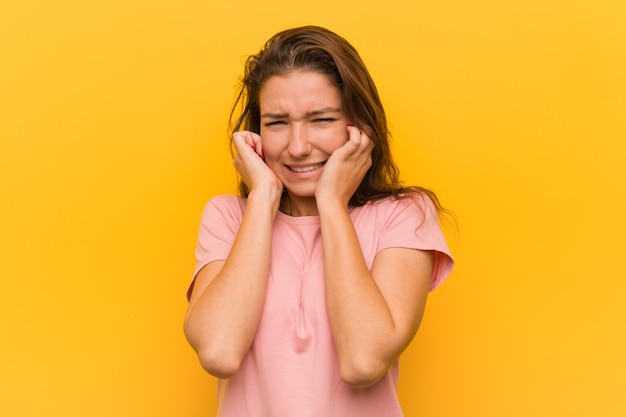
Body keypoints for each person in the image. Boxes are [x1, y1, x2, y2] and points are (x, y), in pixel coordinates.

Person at [183, 25, 454, 417]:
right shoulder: (228, 217)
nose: (297, 146)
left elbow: (363, 361)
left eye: (321, 119)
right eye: (277, 122)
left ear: (358, 126)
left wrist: (331, 201)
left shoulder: (403, 215)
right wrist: (262, 197)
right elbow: (219, 352)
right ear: (256, 134)